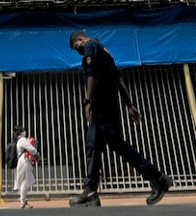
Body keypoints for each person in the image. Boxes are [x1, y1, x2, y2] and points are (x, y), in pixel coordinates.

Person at [68, 31, 172, 207]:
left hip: (104, 106)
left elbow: (91, 75)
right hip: (105, 107)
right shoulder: (104, 51)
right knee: (92, 145)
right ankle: (91, 190)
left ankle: (158, 178)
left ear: (80, 39)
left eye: (76, 47)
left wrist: (87, 101)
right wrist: (129, 105)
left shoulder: (91, 46)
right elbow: (119, 80)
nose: (78, 51)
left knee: (117, 145)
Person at [11, 125, 40, 209]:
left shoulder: (17, 140)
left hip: (21, 161)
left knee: (25, 180)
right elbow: (31, 149)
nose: (25, 132)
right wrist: (37, 154)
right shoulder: (22, 140)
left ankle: (22, 198)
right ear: (21, 132)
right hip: (24, 161)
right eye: (23, 130)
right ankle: (22, 201)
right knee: (25, 181)